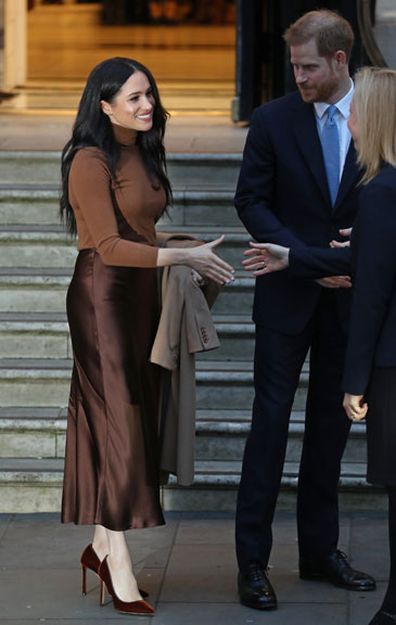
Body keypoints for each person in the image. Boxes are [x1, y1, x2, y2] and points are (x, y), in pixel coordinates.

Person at [59, 56, 234, 617]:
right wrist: (180, 254)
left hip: (142, 298)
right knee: (121, 425)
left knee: (120, 419)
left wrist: (183, 249)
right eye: (133, 98)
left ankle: (101, 545)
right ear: (103, 104)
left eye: (149, 95)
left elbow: (143, 230)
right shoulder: (88, 160)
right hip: (100, 299)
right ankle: (119, 563)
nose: (146, 105)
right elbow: (107, 246)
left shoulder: (143, 149)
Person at [234, 9, 376, 611]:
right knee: (268, 430)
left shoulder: (378, 118)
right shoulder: (271, 119)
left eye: (309, 66)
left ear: (340, 61)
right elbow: (251, 199)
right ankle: (252, 564)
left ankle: (319, 553)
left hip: (350, 303)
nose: (299, 77)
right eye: (293, 66)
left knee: (328, 434)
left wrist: (363, 257)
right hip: (287, 300)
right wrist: (305, 256)